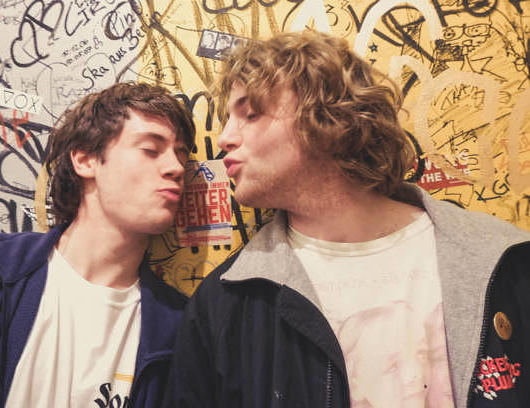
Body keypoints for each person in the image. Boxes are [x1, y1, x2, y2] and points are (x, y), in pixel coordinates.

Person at [165, 31, 530, 407]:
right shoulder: (225, 304)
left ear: (331, 115)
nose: (224, 137)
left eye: (250, 113)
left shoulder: (502, 262)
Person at [0, 82, 196, 408]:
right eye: (151, 149)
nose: (175, 168)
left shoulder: (180, 330)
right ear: (85, 159)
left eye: (181, 155)